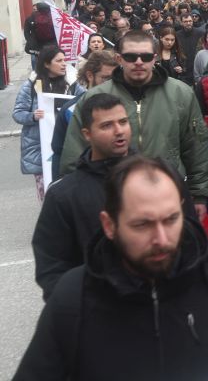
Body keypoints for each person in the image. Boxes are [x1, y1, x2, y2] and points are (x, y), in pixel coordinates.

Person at [14, 155, 208, 380]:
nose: (162, 239)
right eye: (142, 224)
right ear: (109, 225)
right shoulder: (72, 297)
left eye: (171, 219)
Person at [60, 31, 208, 217]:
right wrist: (78, 197)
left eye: (146, 56)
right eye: (131, 57)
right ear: (119, 58)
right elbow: (75, 151)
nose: (139, 62)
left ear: (154, 58)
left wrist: (199, 195)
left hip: (167, 196)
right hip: (111, 201)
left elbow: (196, 146)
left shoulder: (181, 93)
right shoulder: (94, 98)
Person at [33, 94, 133, 299]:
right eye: (107, 125)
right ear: (87, 134)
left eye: (123, 122)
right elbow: (52, 269)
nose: (119, 130)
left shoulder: (159, 179)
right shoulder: (63, 196)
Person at [14, 46, 82, 201]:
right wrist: (32, 116)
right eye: (59, 61)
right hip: (40, 151)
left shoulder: (71, 84)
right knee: (47, 197)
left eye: (65, 60)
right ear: (46, 64)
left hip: (66, 146)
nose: (64, 64)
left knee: (68, 194)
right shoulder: (31, 85)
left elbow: (85, 102)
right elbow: (18, 113)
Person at [50, 50, 118, 181]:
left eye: (115, 78)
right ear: (90, 75)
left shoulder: (124, 105)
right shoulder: (70, 110)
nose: (111, 84)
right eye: (106, 78)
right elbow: (59, 153)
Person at [23, 2, 57, 68]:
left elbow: (26, 32)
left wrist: (30, 41)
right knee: (51, 62)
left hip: (37, 46)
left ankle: (36, 74)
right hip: (51, 45)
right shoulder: (53, 17)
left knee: (36, 62)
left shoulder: (30, 18)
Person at [176, 12, 205, 84]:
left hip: (197, 68)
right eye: (185, 22)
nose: (188, 23)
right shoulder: (177, 35)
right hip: (183, 69)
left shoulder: (200, 33)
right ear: (181, 23)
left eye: (190, 21)